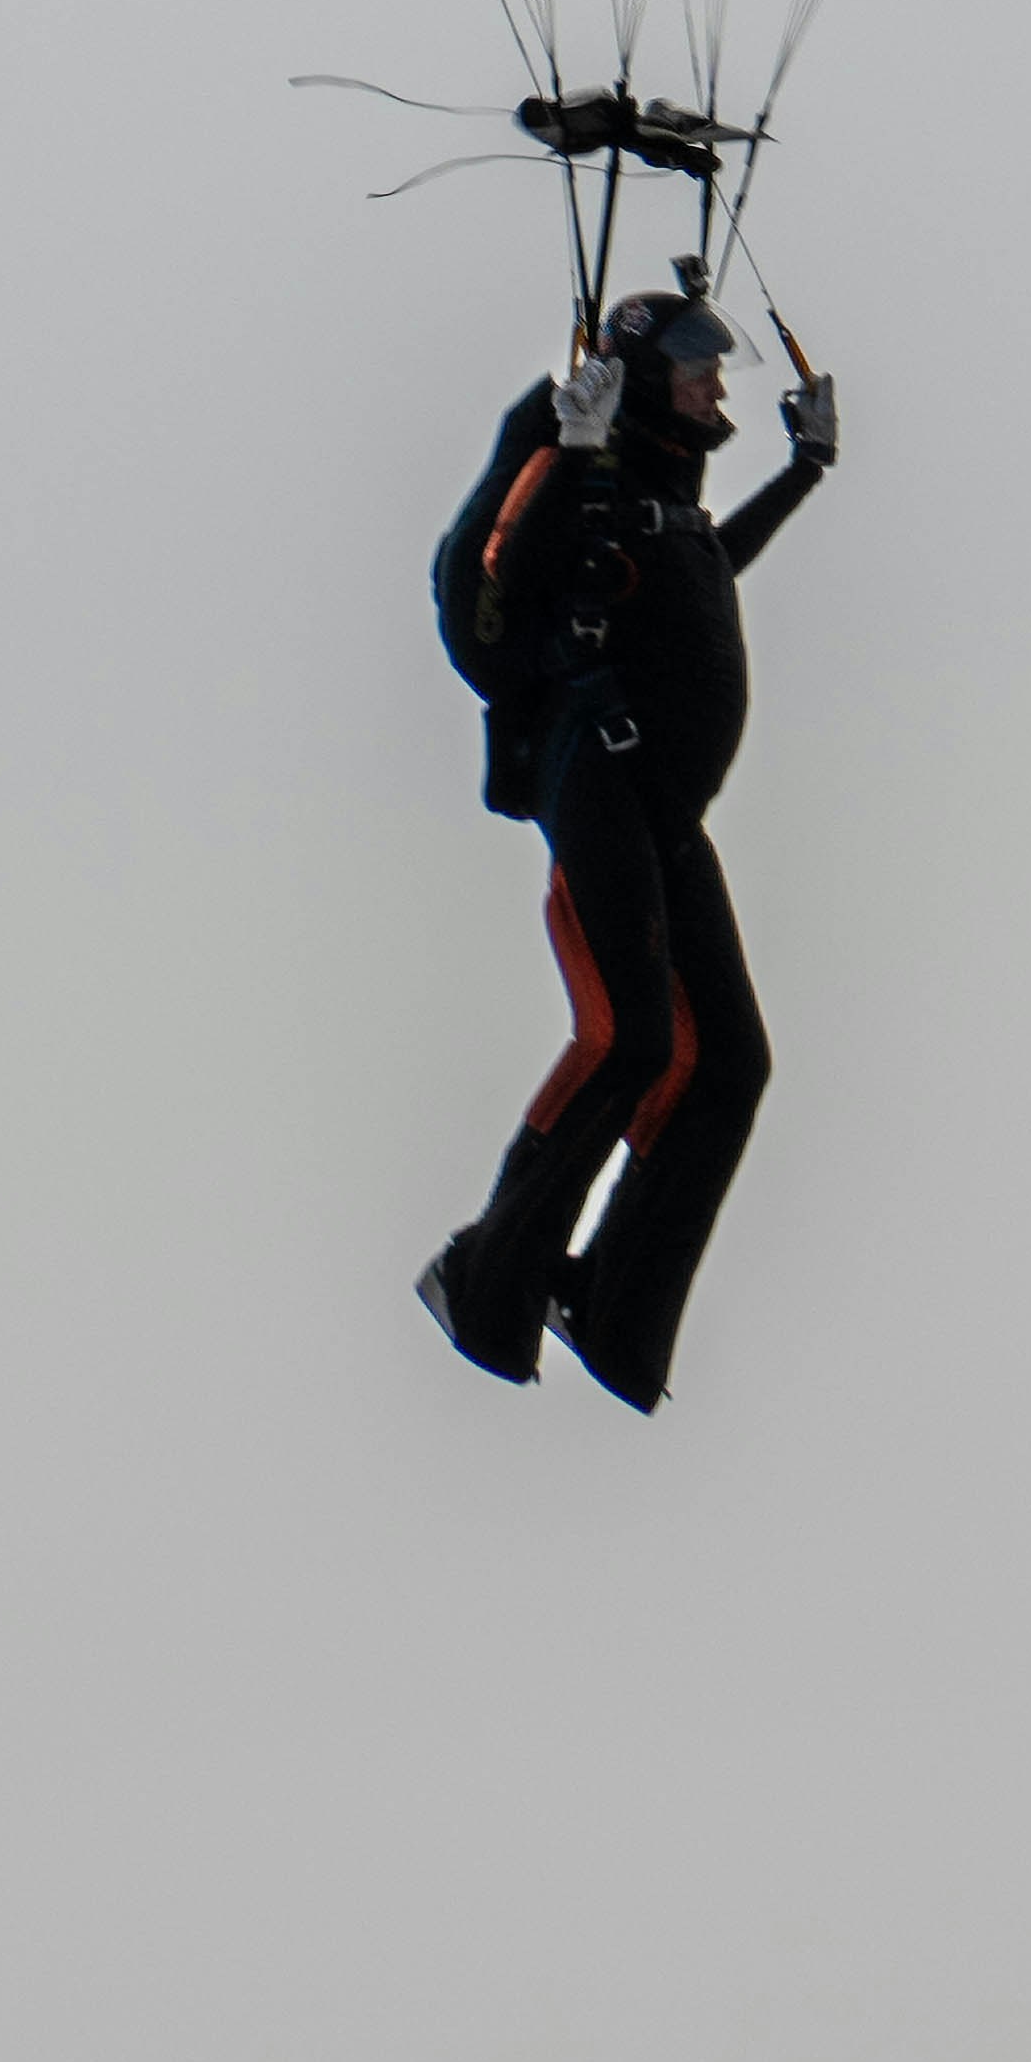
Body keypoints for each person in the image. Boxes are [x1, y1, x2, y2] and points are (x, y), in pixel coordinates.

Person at [418, 284, 838, 1411]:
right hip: (597, 778)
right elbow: (507, 572)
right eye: (701, 365)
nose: (718, 383)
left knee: (731, 1060)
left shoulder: (657, 496)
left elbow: (701, 557)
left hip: (660, 807)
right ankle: (481, 1274)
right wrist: (577, 439)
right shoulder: (583, 473)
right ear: (649, 378)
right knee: (629, 1038)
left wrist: (804, 469)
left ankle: (611, 1305)